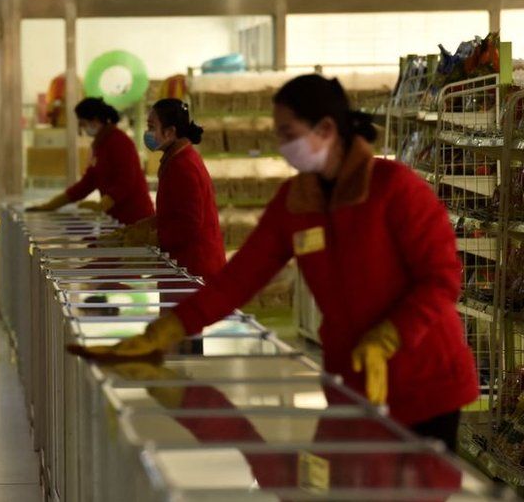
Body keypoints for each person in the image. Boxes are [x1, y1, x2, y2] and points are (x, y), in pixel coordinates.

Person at [70, 74, 478, 451]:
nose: (281, 145)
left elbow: (441, 280)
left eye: (288, 133)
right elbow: (237, 280)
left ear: (326, 130)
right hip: (350, 382)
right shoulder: (296, 203)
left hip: (425, 383)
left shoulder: (397, 189)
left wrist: (388, 336)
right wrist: (164, 330)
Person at [117, 98, 226, 282]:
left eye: (152, 127)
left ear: (170, 132)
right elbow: (175, 213)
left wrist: (154, 239)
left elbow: (188, 224)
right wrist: (145, 227)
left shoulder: (184, 165)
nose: (148, 133)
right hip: (183, 266)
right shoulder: (176, 159)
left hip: (195, 270)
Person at [27, 97, 154, 225]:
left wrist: (104, 203)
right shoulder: (100, 144)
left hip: (135, 216)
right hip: (115, 216)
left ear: (95, 120)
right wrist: (51, 205)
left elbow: (126, 179)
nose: (82, 128)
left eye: (82, 123)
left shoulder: (119, 141)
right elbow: (88, 182)